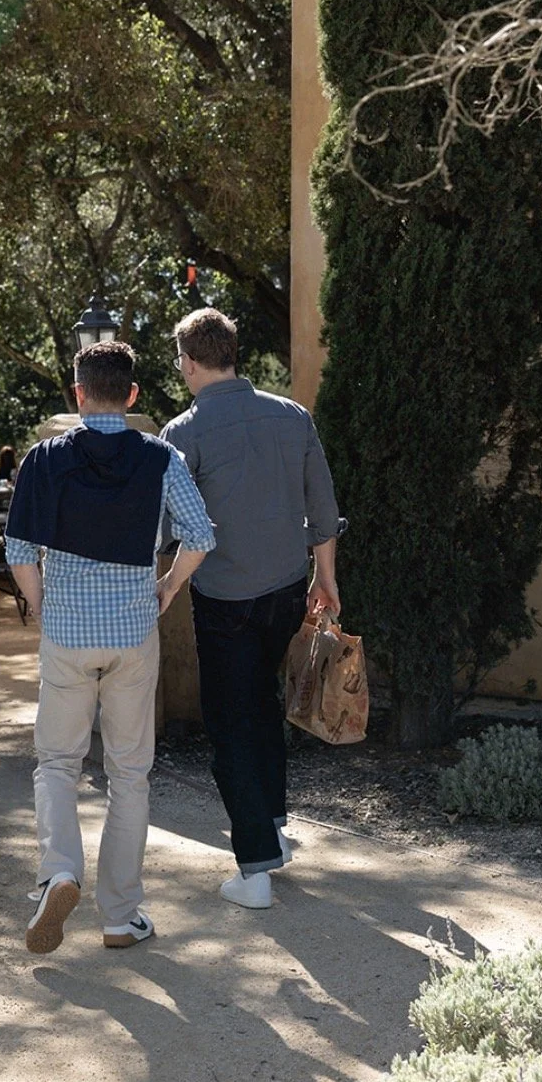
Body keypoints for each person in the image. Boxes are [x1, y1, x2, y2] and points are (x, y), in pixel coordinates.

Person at [6, 341, 215, 955]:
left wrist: (44, 608)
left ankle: (60, 873)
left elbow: (19, 552)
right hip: (132, 634)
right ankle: (121, 917)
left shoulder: (45, 459)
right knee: (129, 774)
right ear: (131, 395)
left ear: (77, 394)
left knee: (57, 764)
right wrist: (168, 588)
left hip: (68, 635)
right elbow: (200, 536)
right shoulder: (160, 456)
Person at [161, 307, 341, 911]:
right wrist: (327, 578)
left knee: (231, 723)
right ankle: (274, 830)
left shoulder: (181, 433)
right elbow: (323, 504)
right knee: (263, 704)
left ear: (188, 362)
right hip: (290, 586)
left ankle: (255, 866)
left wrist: (158, 583)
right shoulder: (292, 415)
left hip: (225, 597)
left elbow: (169, 528)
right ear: (233, 353)